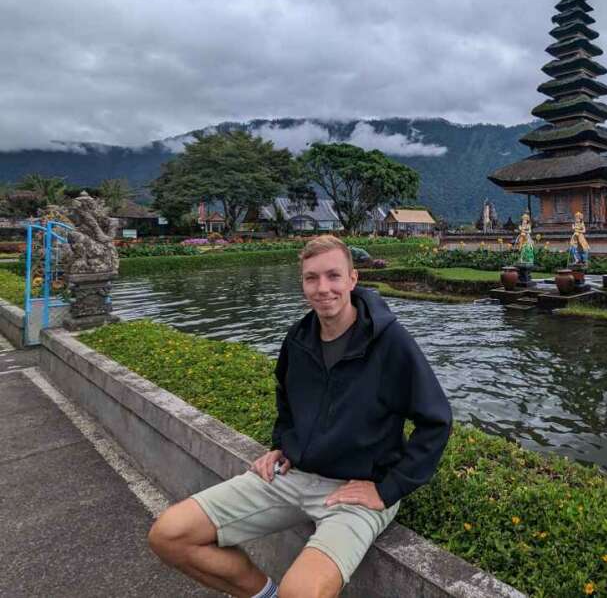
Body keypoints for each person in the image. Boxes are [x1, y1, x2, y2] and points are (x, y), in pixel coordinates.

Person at [148, 235, 452, 598]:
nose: (323, 288)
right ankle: (264, 594)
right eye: (312, 278)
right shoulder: (298, 339)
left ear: (353, 279)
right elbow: (287, 398)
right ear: (302, 283)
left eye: (333, 276)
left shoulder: (390, 342)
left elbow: (436, 420)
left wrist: (389, 488)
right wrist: (282, 445)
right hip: (293, 477)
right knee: (168, 535)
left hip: (354, 491)